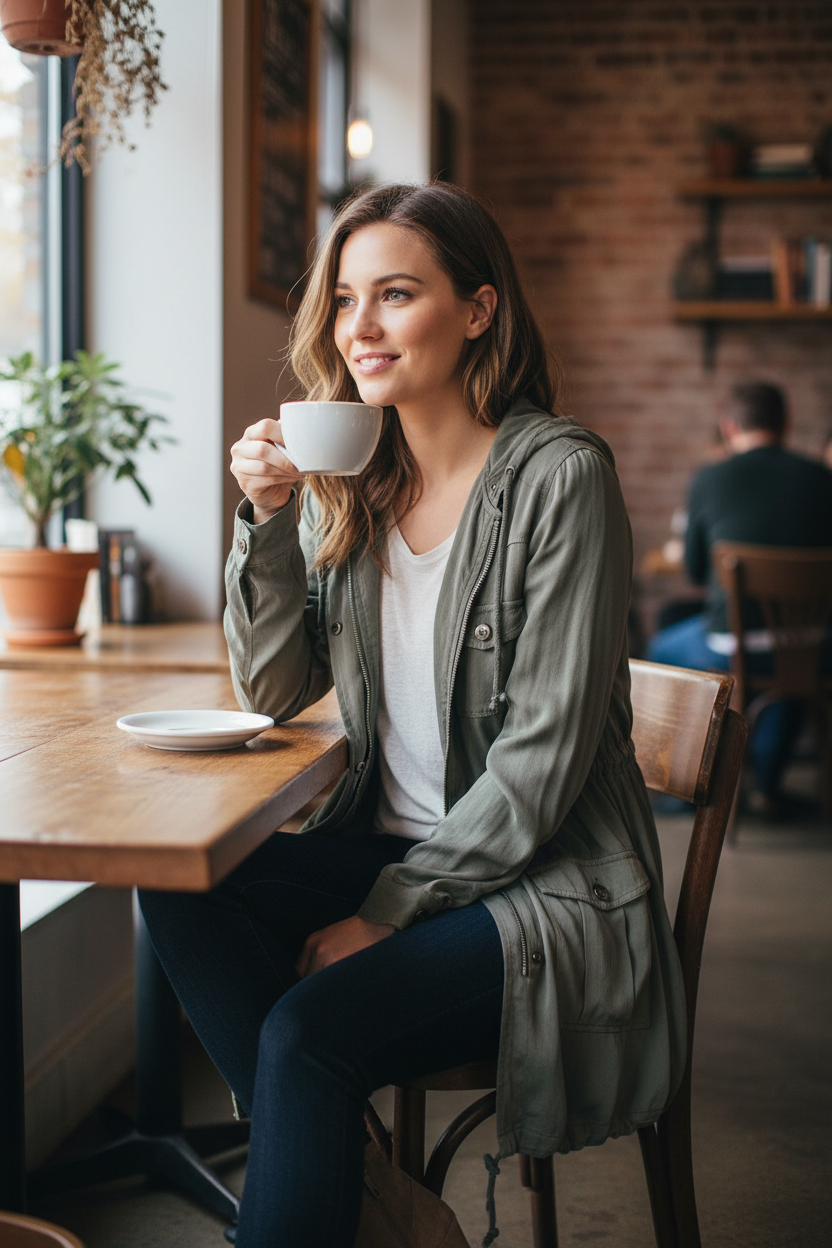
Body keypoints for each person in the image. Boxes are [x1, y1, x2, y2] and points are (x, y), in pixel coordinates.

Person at [139, 183, 685, 1248]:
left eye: (396, 294)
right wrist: (264, 518)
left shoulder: (560, 478)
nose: (360, 328)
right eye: (346, 300)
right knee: (178, 884)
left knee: (306, 1037)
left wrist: (388, 909)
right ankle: (372, 1201)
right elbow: (273, 689)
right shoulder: (355, 480)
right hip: (397, 846)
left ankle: (340, 1194)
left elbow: (539, 764)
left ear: (478, 310)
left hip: (546, 886)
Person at [648, 381, 832, 811]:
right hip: (812, 643)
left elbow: (694, 573)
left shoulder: (709, 479)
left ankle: (681, 790)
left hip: (729, 643)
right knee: (790, 653)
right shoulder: (823, 479)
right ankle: (768, 783)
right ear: (786, 425)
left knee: (660, 645)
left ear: (730, 427)